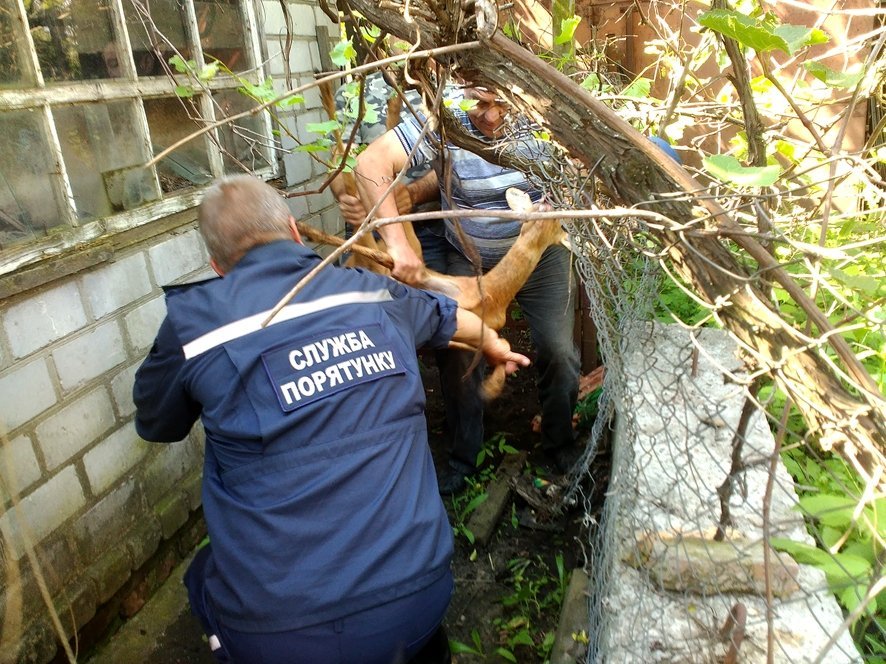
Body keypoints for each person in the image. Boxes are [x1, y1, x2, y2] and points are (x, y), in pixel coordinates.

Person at [132, 175, 529, 663]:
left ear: (217, 266)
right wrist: (491, 342)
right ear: (298, 233)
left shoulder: (194, 328)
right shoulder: (374, 294)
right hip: (419, 596)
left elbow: (157, 424)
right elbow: (452, 318)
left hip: (284, 639)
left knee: (204, 576)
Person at [354, 87, 581, 495]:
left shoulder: (545, 114)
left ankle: (559, 444)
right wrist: (398, 245)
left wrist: (565, 200)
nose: (491, 117)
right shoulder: (447, 114)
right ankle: (465, 455)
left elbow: (589, 168)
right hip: (471, 257)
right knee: (459, 351)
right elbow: (370, 163)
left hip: (541, 253)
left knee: (559, 351)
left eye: (502, 105)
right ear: (462, 92)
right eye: (480, 103)